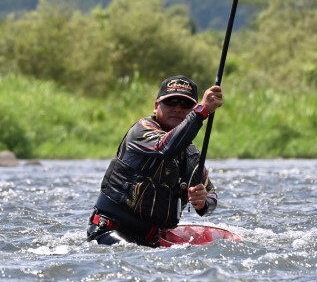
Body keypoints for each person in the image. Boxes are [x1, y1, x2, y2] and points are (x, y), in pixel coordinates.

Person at [86, 75, 223, 247]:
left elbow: (212, 194)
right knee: (134, 253)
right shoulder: (141, 131)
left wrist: (203, 202)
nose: (178, 108)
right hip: (110, 232)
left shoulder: (191, 156)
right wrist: (202, 111)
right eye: (171, 102)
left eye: (186, 104)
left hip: (152, 239)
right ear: (156, 106)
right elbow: (166, 147)